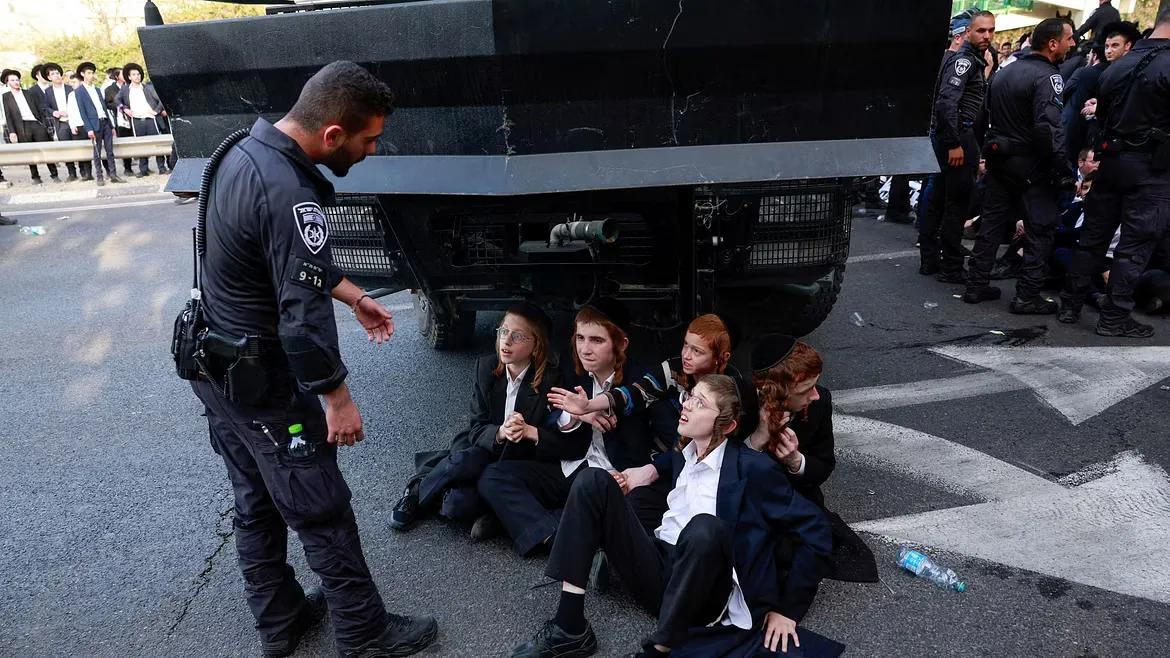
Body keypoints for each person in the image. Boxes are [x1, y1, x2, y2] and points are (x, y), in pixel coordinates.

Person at [188, 60, 437, 657]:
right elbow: (300, 315)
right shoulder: (292, 190)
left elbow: (276, 259)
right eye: (368, 139)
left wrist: (353, 294)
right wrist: (337, 398)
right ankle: (364, 634)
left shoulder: (242, 151)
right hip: (265, 382)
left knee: (255, 501)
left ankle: (281, 622)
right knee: (319, 504)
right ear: (332, 135)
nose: (372, 150)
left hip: (217, 369)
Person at [510, 374, 831, 658]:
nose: (688, 405)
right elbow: (657, 471)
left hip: (706, 592)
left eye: (701, 403)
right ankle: (569, 628)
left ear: (728, 425)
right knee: (594, 480)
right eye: (691, 396)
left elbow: (816, 527)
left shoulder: (753, 469)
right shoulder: (683, 456)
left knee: (704, 527)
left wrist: (788, 609)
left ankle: (660, 648)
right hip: (660, 571)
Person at [477, 299, 671, 556]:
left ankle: (528, 523)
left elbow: (681, 447)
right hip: (573, 466)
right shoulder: (573, 372)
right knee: (494, 476)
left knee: (636, 513)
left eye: (597, 340)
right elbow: (551, 414)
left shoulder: (642, 387)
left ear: (621, 344)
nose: (585, 349)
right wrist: (577, 416)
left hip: (614, 477)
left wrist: (647, 471)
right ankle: (552, 535)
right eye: (580, 338)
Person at [389, 302, 577, 539]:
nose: (506, 341)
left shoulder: (552, 380)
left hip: (517, 462)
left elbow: (562, 443)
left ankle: (495, 512)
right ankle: (415, 491)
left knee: (458, 505)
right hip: (482, 450)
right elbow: (476, 427)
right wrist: (500, 432)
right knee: (466, 462)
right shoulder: (487, 367)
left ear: (536, 345)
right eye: (503, 332)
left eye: (517, 336)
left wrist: (528, 431)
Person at [964, 18, 1076, 313]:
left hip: (1000, 159)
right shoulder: (1048, 77)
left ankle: (975, 284)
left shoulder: (1006, 71)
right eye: (1069, 38)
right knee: (1041, 228)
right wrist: (1063, 170)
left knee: (991, 222)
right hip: (1031, 165)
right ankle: (1027, 295)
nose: (1073, 44)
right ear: (1052, 44)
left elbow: (982, 117)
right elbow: (1049, 128)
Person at [1082, 11, 1170, 337]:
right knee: (1135, 244)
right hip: (1150, 168)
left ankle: (1070, 303)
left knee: (1093, 237)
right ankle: (1114, 316)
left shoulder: (1121, 63)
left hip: (1114, 160)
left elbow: (1102, 114)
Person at [919, 11, 996, 282]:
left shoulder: (970, 59)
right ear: (968, 33)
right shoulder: (964, 61)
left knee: (939, 197)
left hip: (953, 136)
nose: (987, 36)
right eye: (981, 31)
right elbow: (946, 102)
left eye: (990, 31)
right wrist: (954, 143)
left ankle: (931, 260)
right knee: (956, 203)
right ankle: (950, 266)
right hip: (956, 138)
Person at [2, 69, 58, 184]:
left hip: (36, 123)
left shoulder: (29, 93)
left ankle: (54, 175)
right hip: (22, 126)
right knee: (29, 152)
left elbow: (39, 109)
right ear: (8, 83)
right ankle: (35, 176)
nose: (16, 82)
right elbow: (8, 115)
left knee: (45, 149)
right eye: (12, 80)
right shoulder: (6, 97)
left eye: (17, 80)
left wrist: (43, 124)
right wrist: (12, 132)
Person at [73, 63, 124, 187]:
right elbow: (82, 111)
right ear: (82, 74)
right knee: (97, 152)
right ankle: (99, 176)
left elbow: (104, 108)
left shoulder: (96, 89)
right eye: (89, 73)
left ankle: (113, 175)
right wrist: (89, 128)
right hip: (94, 125)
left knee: (110, 151)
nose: (91, 75)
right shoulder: (79, 91)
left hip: (105, 121)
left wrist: (111, 126)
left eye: (92, 73)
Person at [115, 62, 170, 176]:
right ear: (129, 77)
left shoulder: (148, 88)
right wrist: (125, 109)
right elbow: (117, 100)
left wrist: (156, 111)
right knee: (141, 145)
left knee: (157, 144)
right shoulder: (125, 89)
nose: (137, 76)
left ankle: (162, 168)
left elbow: (161, 99)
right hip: (136, 120)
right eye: (134, 74)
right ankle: (143, 170)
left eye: (138, 74)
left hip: (151, 119)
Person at [40, 63, 83, 182]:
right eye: (53, 74)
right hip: (61, 123)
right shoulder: (48, 92)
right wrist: (54, 112)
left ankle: (84, 171)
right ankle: (72, 173)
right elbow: (45, 107)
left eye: (58, 73)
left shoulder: (70, 88)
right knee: (66, 149)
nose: (56, 76)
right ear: (49, 77)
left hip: (74, 121)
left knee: (79, 147)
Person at [64, 72, 93, 181]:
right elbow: (70, 111)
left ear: (81, 81)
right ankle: (85, 173)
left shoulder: (89, 91)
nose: (72, 84)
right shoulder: (72, 95)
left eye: (74, 82)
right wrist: (72, 125)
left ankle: (92, 172)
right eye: (71, 82)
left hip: (90, 124)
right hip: (78, 125)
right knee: (82, 151)